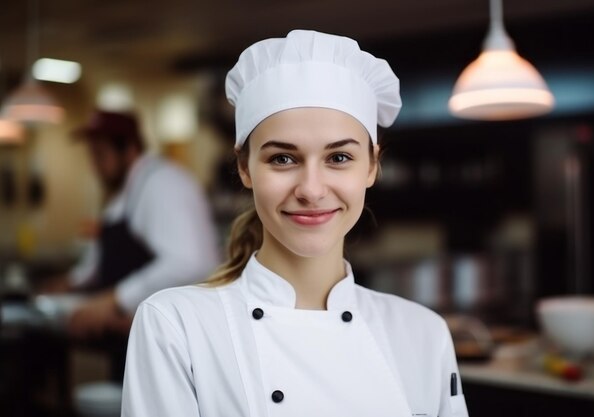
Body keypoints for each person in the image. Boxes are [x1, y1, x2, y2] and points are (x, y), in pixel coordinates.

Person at [122, 30, 470, 417]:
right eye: (282, 159)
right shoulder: (175, 326)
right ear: (244, 167)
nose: (311, 190)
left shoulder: (423, 333)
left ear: (372, 166)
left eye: (338, 158)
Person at [46, 110, 220, 379]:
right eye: (92, 157)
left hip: (171, 340)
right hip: (133, 335)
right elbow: (101, 260)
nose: (95, 167)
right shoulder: (125, 191)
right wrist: (70, 283)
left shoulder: (163, 183)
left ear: (129, 149)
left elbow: (190, 262)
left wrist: (113, 300)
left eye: (100, 156)